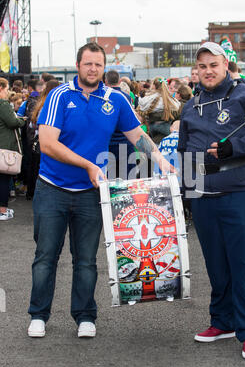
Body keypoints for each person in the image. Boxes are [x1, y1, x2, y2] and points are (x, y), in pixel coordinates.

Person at [27, 42, 175, 339]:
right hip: (52, 189)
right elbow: (47, 144)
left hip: (90, 194)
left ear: (104, 67)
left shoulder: (115, 99)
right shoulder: (59, 95)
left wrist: (161, 160)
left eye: (98, 64)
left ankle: (84, 316)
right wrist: (89, 166)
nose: (93, 69)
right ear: (78, 65)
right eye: (87, 63)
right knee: (46, 257)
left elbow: (138, 135)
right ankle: (38, 315)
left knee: (86, 259)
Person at [178, 42, 245, 360]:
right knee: (217, 265)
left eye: (214, 65)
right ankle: (223, 322)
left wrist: (233, 147)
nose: (208, 71)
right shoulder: (190, 106)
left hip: (242, 193)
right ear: (197, 71)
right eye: (202, 66)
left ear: (225, 66)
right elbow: (184, 151)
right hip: (204, 196)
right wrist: (186, 192)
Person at [0, 78, 26, 220]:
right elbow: (12, 122)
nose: (7, 92)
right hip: (4, 148)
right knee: (4, 179)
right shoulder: (3, 104)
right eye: (6, 89)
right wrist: (22, 120)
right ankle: (3, 210)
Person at [105, 70, 137, 179]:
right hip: (125, 142)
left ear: (105, 81)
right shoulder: (127, 97)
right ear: (119, 81)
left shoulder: (102, 98)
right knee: (128, 181)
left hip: (109, 144)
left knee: (110, 182)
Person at [138, 77, 180, 144]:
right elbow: (177, 106)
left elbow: (142, 105)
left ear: (154, 86)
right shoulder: (169, 99)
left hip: (152, 127)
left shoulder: (149, 98)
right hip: (166, 126)